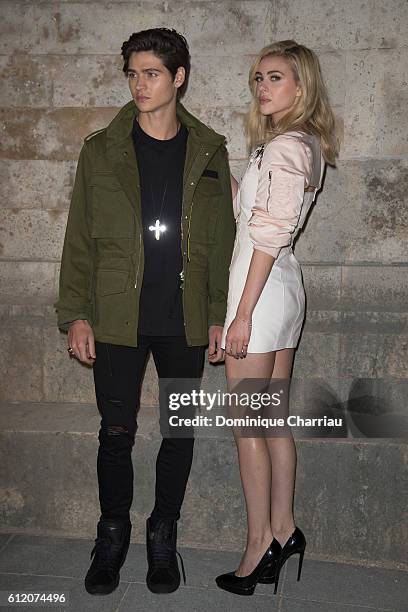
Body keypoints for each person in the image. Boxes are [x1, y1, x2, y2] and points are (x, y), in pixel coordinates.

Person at [54, 28, 235, 596]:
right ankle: (112, 538)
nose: (139, 84)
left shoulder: (209, 151)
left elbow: (223, 244)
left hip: (182, 318)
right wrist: (76, 313)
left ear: (179, 78)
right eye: (132, 73)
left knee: (178, 431)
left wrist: (216, 315)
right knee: (116, 431)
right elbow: (79, 238)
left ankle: (163, 537)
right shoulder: (101, 149)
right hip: (115, 316)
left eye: (151, 73)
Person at [215, 40, 338, 596]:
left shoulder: (287, 147)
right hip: (280, 289)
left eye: (275, 78)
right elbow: (263, 217)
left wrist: (240, 317)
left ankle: (258, 546)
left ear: (301, 85)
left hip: (259, 295)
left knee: (248, 428)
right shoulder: (296, 146)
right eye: (258, 78)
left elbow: (267, 234)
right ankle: (285, 530)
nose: (263, 88)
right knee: (273, 421)